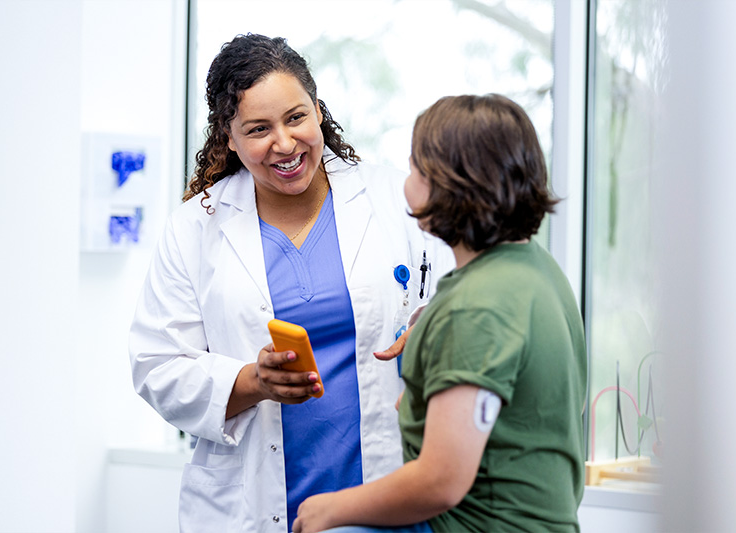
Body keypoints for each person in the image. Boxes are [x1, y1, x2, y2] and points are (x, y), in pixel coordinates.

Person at [128, 34, 453, 531]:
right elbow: (157, 365)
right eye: (258, 128)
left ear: (318, 111)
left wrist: (433, 332)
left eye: (296, 117)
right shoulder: (196, 227)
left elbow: (458, 295)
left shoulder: (390, 197)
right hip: (250, 506)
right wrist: (252, 382)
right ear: (229, 137)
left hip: (385, 498)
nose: (283, 143)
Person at [293, 94, 588, 533]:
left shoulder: (476, 306)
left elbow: (440, 482)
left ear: (450, 185)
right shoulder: (534, 270)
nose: (404, 181)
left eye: (415, 167)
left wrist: (329, 508)